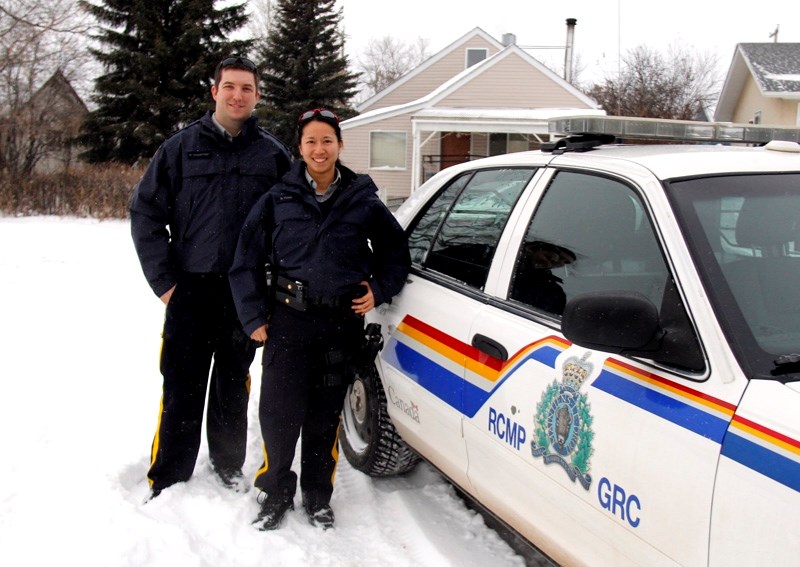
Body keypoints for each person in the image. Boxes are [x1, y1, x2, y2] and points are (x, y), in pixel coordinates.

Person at [229, 108, 410, 530]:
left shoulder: (362, 200)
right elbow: (245, 261)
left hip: (339, 326)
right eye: (311, 141)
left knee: (325, 416)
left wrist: (379, 290)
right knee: (279, 414)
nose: (319, 149)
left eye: (327, 140)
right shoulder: (278, 199)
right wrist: (253, 315)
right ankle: (275, 492)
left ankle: (316, 494)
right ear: (300, 148)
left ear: (340, 145)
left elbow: (395, 253)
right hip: (288, 323)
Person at [129, 56, 292, 500]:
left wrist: (276, 289)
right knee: (182, 381)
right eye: (230, 86)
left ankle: (226, 466)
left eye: (247, 88)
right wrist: (164, 281)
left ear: (257, 96)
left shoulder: (272, 155)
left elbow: (291, 224)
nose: (238, 95)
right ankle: (168, 475)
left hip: (246, 291)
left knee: (232, 383)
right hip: (191, 286)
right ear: (214, 91)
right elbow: (145, 213)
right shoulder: (180, 148)